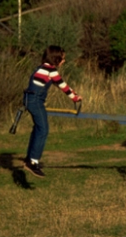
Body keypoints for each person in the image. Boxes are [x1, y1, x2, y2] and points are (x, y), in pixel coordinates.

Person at [22, 45, 82, 179]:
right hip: (35, 101)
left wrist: (74, 94)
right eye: (63, 58)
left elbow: (60, 84)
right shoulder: (50, 70)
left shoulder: (41, 67)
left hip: (29, 100)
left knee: (38, 129)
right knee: (43, 130)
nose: (64, 61)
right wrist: (75, 97)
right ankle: (32, 162)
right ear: (56, 59)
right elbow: (62, 85)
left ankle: (29, 158)